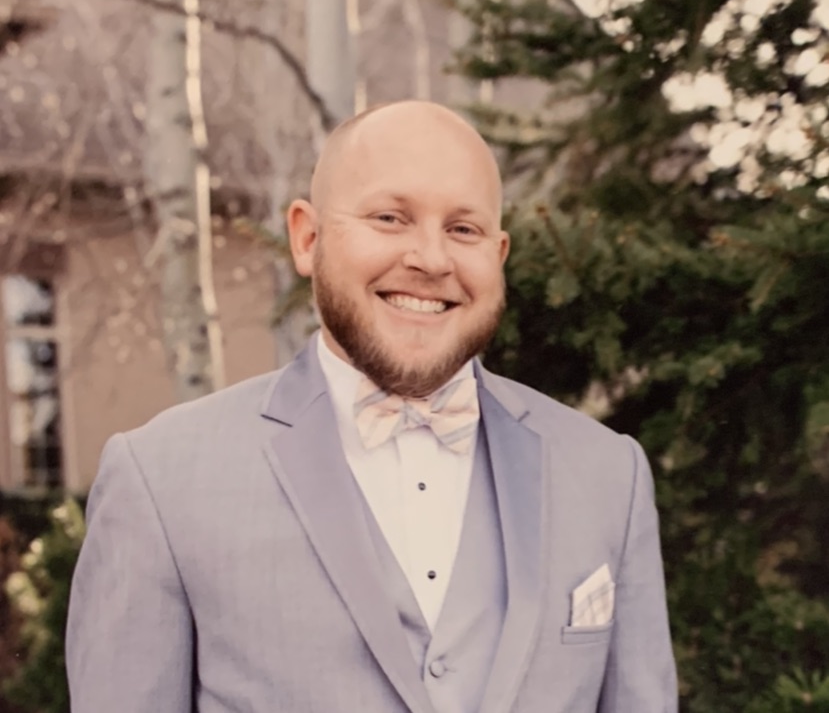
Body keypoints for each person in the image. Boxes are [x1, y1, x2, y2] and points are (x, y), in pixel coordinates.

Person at [66, 100, 678, 713]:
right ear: (307, 239)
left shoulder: (608, 474)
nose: (431, 259)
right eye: (390, 218)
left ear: (498, 255)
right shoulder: (159, 479)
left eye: (463, 230)